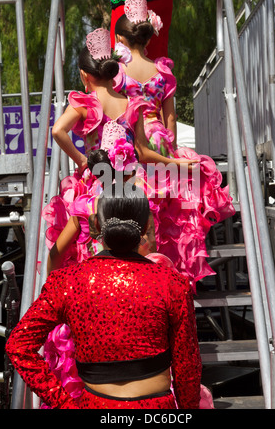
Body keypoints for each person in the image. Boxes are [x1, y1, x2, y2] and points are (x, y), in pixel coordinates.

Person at [6, 184, 202, 409]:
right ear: (148, 225)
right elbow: (187, 367)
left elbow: (19, 345)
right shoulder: (172, 283)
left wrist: (64, 404)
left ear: (96, 225)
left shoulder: (67, 281)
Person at [43, 27, 197, 268]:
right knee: (147, 255)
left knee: (91, 246)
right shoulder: (133, 105)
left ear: (85, 76)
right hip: (134, 187)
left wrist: (82, 159)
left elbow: (57, 131)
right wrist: (177, 164)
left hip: (100, 189)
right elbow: (144, 153)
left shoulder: (85, 103)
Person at [113, 0, 236, 288]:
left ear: (119, 38)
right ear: (147, 37)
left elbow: (113, 112)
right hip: (159, 142)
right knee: (174, 211)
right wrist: (171, 151)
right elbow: (170, 121)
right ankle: (169, 273)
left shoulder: (117, 74)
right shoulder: (163, 73)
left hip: (128, 142)